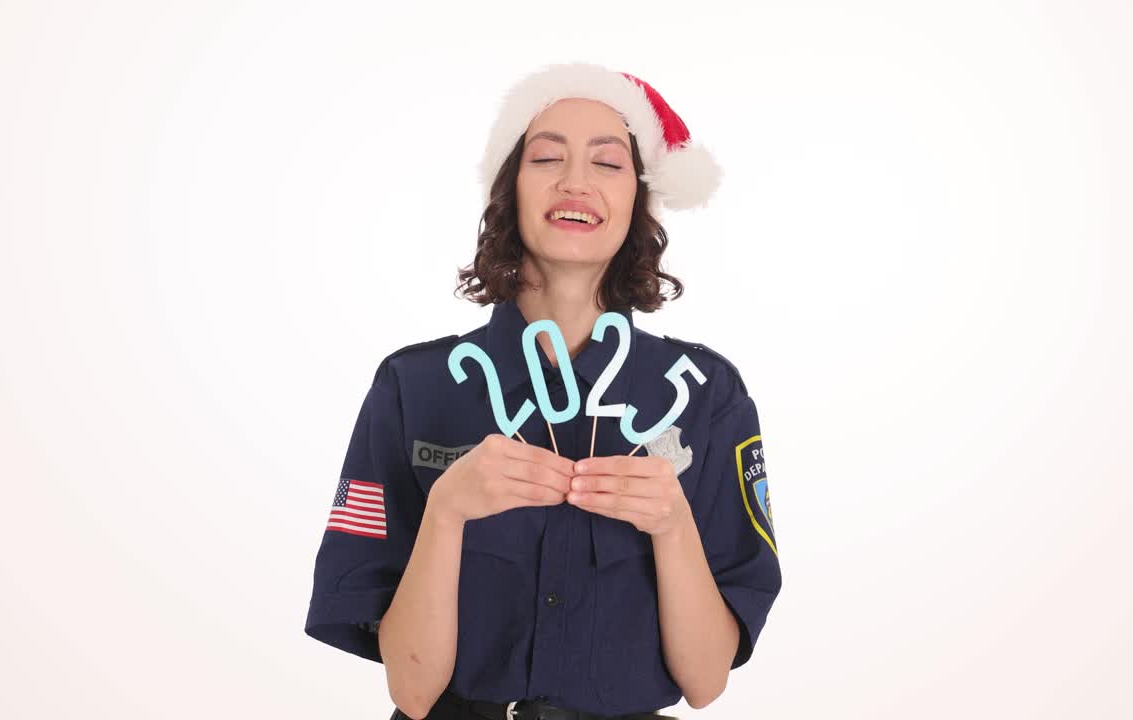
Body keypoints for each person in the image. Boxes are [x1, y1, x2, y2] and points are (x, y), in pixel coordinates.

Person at [304, 62, 782, 720]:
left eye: (608, 163)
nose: (575, 181)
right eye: (547, 157)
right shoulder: (414, 388)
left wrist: (672, 525)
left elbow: (706, 682)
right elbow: (411, 693)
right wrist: (447, 512)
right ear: (510, 191)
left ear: (639, 202)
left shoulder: (705, 397)